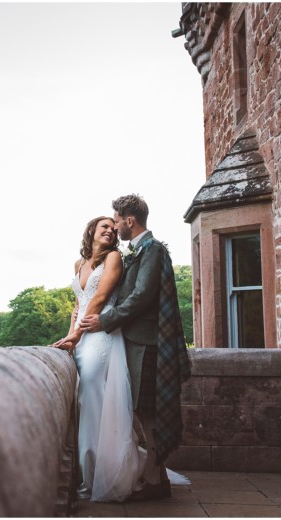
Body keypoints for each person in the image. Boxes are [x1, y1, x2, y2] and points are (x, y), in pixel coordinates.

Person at [79, 194, 191, 502]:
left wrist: (106, 320)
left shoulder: (152, 251)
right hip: (136, 343)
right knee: (142, 413)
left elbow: (141, 297)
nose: (115, 226)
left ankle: (156, 482)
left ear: (130, 220)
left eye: (116, 220)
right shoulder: (139, 251)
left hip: (147, 345)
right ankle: (158, 477)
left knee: (147, 413)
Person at [51, 216, 144, 502]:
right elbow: (78, 304)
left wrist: (78, 335)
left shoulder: (114, 258)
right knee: (84, 404)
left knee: (93, 404)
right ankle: (85, 474)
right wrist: (69, 337)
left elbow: (100, 298)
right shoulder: (78, 264)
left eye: (113, 229)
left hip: (100, 337)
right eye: (104, 226)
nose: (110, 231)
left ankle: (94, 479)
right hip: (80, 338)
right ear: (91, 230)